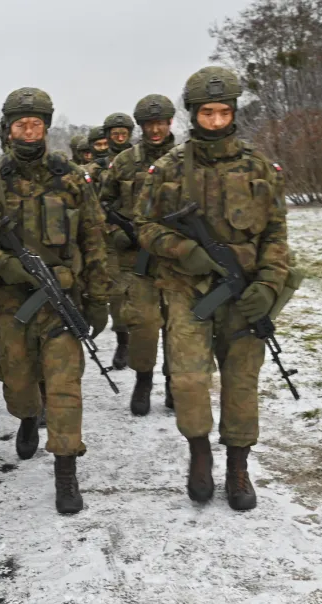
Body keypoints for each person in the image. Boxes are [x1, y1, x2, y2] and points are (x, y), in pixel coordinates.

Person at [137, 67, 291, 511]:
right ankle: (199, 454)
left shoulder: (259, 167)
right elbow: (144, 226)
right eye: (208, 113)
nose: (217, 121)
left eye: (224, 112)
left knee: (241, 381)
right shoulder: (168, 169)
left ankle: (238, 466)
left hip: (244, 292)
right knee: (188, 379)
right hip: (186, 289)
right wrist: (184, 250)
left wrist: (269, 284)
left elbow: (276, 234)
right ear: (193, 113)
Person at [0, 88, 110, 515]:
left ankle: (66, 471)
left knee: (65, 387)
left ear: (46, 127)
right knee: (19, 381)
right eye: (21, 125)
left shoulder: (72, 177)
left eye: (36, 124)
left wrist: (99, 298)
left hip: (63, 299)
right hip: (14, 304)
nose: (29, 132)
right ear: (8, 129)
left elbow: (94, 239)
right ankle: (28, 416)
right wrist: (7, 266)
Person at [97, 96, 177, 414]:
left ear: (170, 123)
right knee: (143, 324)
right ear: (140, 127)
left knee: (177, 325)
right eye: (148, 124)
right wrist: (117, 233)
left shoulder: (185, 158)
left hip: (178, 258)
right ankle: (143, 379)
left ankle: (173, 382)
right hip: (137, 259)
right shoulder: (125, 162)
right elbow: (103, 204)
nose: (155, 130)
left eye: (160, 123)